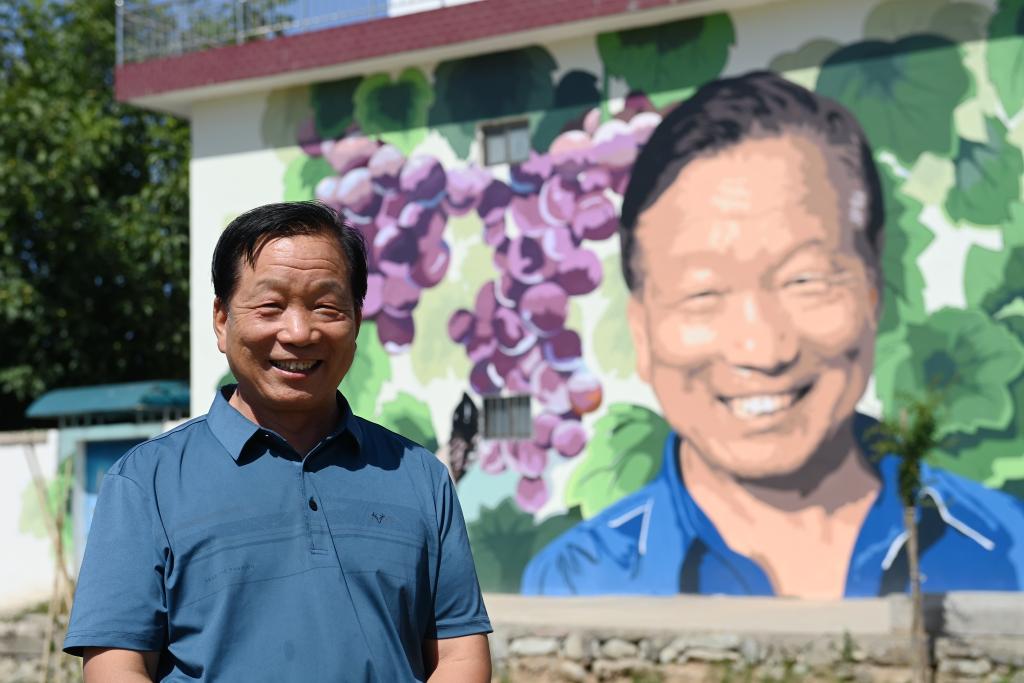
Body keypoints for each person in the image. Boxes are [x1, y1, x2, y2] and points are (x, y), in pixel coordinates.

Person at [523, 71, 1024, 598]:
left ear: (873, 290)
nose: (762, 350)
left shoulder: (1008, 545)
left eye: (805, 280)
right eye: (703, 292)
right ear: (642, 333)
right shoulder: (578, 581)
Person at [64, 202, 492, 681]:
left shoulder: (419, 476)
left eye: (326, 307)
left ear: (356, 321)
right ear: (222, 320)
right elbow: (117, 667)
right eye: (270, 306)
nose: (299, 333)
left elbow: (459, 656)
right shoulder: (147, 482)